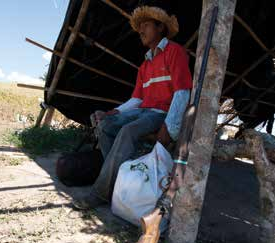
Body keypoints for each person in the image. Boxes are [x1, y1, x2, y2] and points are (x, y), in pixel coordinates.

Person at [72, 3, 192, 210]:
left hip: (160, 113)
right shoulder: (144, 66)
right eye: (140, 28)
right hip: (142, 111)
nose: (141, 31)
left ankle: (100, 193)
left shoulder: (175, 51)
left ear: (160, 27)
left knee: (127, 131)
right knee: (105, 125)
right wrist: (111, 113)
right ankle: (117, 182)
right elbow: (136, 100)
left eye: (146, 25)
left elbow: (183, 92)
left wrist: (170, 127)